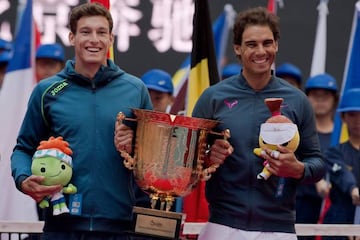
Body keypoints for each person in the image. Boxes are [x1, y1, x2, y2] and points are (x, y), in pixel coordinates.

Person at [115, 6, 325, 240]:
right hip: (222, 226)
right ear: (237, 48)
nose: (261, 51)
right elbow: (185, 163)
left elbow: (317, 164)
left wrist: (298, 169)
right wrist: (207, 158)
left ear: (276, 45)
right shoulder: (213, 97)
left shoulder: (297, 100)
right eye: (251, 44)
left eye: (267, 43)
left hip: (278, 229)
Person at [11, 2, 153, 240]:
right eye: (85, 32)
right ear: (72, 37)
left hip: (119, 225)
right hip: (61, 225)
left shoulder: (135, 90)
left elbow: (153, 157)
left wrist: (136, 145)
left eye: (101, 32)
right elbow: (24, 148)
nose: (94, 39)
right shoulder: (47, 90)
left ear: (111, 39)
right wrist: (24, 178)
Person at [296, 73, 338, 240]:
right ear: (307, 98)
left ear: (334, 99)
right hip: (302, 206)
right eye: (315, 95)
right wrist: (315, 178)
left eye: (326, 95)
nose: (320, 100)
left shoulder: (343, 135)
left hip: (335, 209)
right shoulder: (297, 134)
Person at [322, 88, 360, 240]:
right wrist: (353, 190)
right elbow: (343, 173)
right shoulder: (334, 152)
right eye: (352, 115)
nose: (357, 120)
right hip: (339, 221)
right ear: (343, 117)